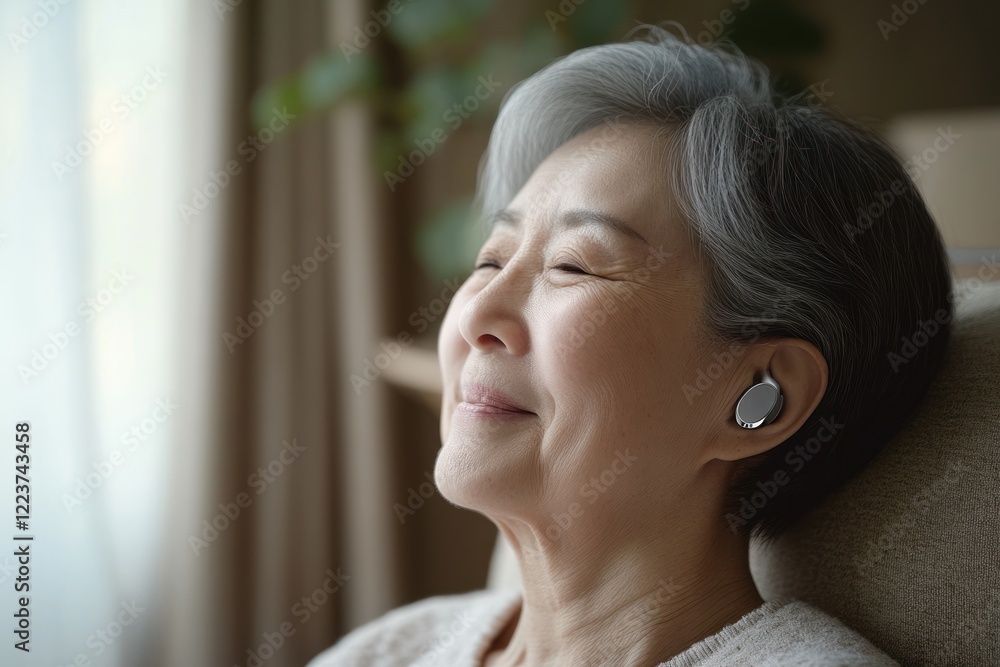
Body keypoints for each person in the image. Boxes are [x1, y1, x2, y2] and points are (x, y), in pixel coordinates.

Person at [309, 24, 951, 667]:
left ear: (762, 394)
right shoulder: (392, 650)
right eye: (490, 260)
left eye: (573, 265)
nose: (477, 313)